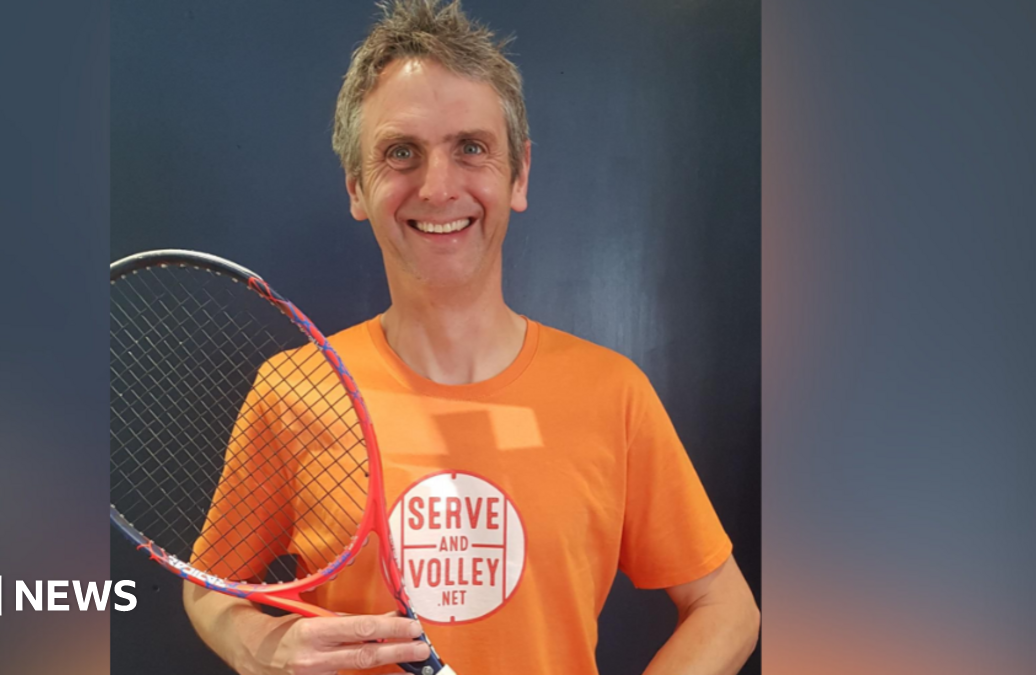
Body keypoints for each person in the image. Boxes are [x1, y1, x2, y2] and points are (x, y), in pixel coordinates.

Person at [183, 1, 761, 673]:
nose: (437, 187)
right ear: (357, 188)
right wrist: (265, 650)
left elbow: (727, 608)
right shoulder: (294, 391)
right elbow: (209, 587)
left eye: (472, 148)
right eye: (401, 153)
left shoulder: (612, 394)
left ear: (519, 174)